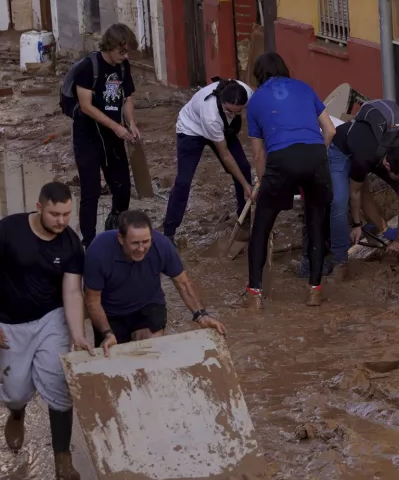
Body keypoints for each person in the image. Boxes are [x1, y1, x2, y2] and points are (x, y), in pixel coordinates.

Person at [0, 182, 93, 480]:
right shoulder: (8, 231)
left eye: (66, 214)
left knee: (60, 386)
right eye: (54, 214)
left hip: (51, 319)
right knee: (15, 392)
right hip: (8, 322)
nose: (61, 221)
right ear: (39, 208)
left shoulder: (71, 243)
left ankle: (63, 460)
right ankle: (16, 413)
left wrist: (77, 333)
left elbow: (73, 292)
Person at [244, 52, 336, 308]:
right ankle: (314, 292)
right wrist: (317, 158)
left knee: (261, 227)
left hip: (280, 159)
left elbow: (258, 153)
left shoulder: (255, 101)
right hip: (315, 155)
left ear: (258, 75)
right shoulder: (304, 88)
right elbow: (330, 130)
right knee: (316, 225)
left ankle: (254, 296)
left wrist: (263, 184)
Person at [83, 210, 226, 355]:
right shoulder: (98, 252)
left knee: (149, 351)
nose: (141, 249)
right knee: (114, 358)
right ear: (121, 238)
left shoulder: (161, 245)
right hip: (111, 313)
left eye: (146, 242)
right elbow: (92, 301)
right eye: (135, 243)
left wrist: (201, 315)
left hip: (148, 305)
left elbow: (183, 283)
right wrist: (107, 332)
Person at [324, 100, 399, 277]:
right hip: (340, 148)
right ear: (386, 165)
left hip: (371, 150)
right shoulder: (364, 158)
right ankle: (340, 261)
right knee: (340, 201)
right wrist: (357, 225)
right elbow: (357, 192)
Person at [162, 78, 255, 241]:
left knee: (244, 167)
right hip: (191, 130)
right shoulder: (210, 114)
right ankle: (169, 232)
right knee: (183, 181)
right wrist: (246, 185)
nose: (233, 116)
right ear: (221, 101)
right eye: (229, 111)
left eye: (238, 112)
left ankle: (245, 219)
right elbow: (225, 155)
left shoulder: (246, 92)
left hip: (222, 128)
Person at [73, 23, 140, 248]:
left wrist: (131, 123)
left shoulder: (123, 66)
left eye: (128, 52)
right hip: (88, 134)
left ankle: (115, 228)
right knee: (90, 191)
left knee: (122, 186)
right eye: (122, 51)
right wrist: (115, 126)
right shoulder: (88, 67)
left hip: (114, 134)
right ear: (110, 46)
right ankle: (89, 243)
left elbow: (127, 98)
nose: (126, 56)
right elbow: (86, 106)